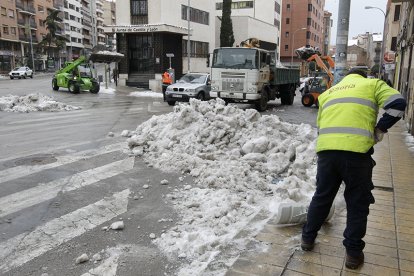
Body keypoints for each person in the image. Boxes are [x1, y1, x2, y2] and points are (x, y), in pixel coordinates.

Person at [301, 68, 407, 270]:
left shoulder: (328, 93)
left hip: (326, 152)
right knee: (357, 202)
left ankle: (307, 239)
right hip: (356, 153)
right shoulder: (372, 84)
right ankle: (353, 253)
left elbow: (321, 124)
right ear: (363, 77)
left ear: (345, 77)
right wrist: (380, 128)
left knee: (322, 196)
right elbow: (398, 103)